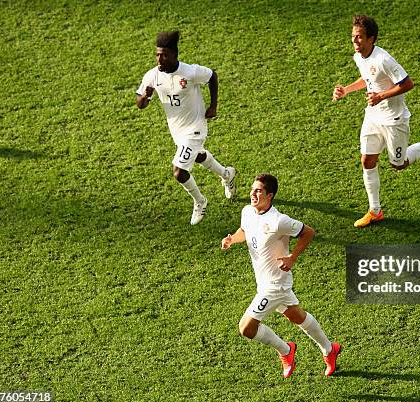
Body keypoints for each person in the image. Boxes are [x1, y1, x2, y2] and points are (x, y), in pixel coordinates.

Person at [333, 15, 420, 228]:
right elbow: (368, 79)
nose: (355, 42)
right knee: (367, 160)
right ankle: (375, 211)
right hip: (373, 117)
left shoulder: (384, 59)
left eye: (360, 37)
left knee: (399, 164)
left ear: (372, 39)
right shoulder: (359, 57)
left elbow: (407, 84)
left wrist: (381, 96)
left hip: (394, 120)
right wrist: (346, 90)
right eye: (353, 37)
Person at [221, 173, 341, 378]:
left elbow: (308, 232)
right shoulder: (248, 212)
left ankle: (286, 350)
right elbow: (245, 230)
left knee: (246, 328)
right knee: (297, 316)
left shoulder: (279, 221)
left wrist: (293, 257)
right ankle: (330, 349)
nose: (253, 194)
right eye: (252, 189)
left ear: (270, 196)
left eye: (259, 191)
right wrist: (232, 239)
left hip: (274, 285)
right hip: (265, 282)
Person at [136, 31, 237, 225]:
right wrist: (145, 97)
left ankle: (200, 201)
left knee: (179, 171)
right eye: (157, 54)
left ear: (174, 55)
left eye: (164, 55)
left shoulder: (190, 72)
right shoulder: (152, 76)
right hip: (177, 131)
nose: (159, 58)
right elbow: (139, 105)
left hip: (196, 127)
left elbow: (212, 76)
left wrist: (213, 105)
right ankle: (227, 174)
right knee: (197, 156)